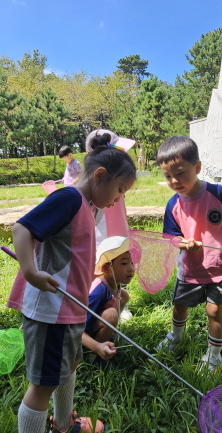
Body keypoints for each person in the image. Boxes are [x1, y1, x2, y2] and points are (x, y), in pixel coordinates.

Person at [7, 138, 136, 433]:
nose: (119, 199)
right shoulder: (68, 199)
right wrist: (30, 270)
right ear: (100, 175)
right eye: (119, 190)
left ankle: (64, 425)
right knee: (43, 385)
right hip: (51, 312)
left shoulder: (88, 206)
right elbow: (22, 228)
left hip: (71, 308)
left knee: (69, 367)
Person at [154, 136, 222, 373]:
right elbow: (170, 239)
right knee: (180, 305)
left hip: (221, 267)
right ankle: (176, 337)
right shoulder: (173, 205)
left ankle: (214, 356)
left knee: (214, 310)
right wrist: (184, 244)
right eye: (167, 176)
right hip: (190, 269)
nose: (174, 181)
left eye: (180, 173)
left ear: (197, 167)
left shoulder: (218, 193)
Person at [86, 129, 136, 323]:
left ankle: (118, 302)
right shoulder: (93, 187)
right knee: (100, 264)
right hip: (99, 231)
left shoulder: (117, 179)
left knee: (120, 261)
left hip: (118, 227)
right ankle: (95, 303)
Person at [83, 236, 134, 367]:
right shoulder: (98, 293)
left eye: (131, 263)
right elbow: (79, 329)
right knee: (111, 315)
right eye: (124, 263)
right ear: (106, 269)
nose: (131, 268)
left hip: (95, 324)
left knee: (124, 295)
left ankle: (108, 334)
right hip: (83, 336)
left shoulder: (115, 284)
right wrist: (96, 346)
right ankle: (94, 357)